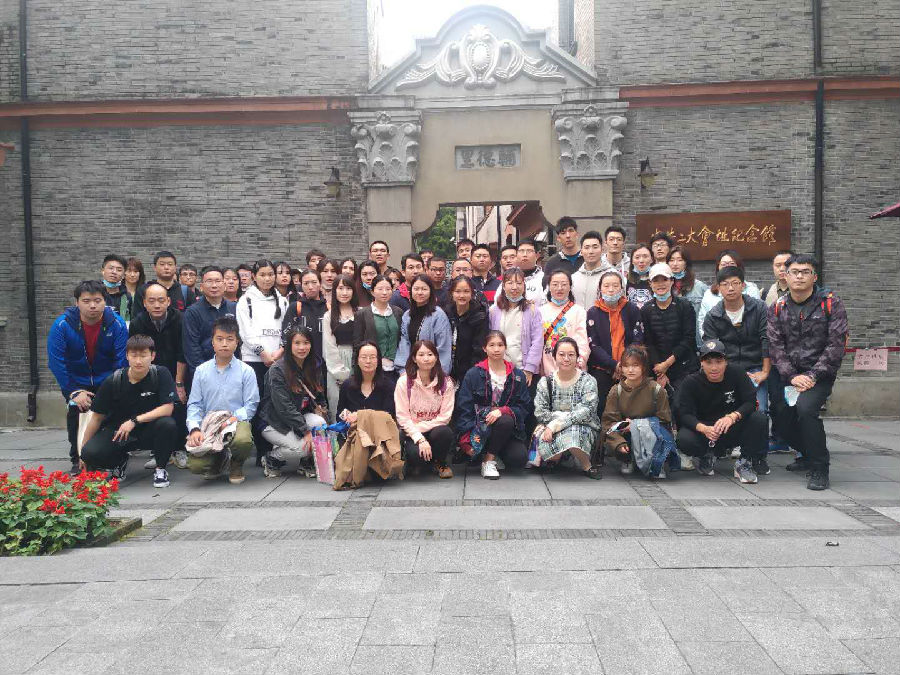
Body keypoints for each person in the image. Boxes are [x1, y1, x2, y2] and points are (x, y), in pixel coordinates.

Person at [767, 254, 848, 490]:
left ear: (815, 277)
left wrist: (812, 376)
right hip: (790, 375)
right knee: (781, 419)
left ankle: (820, 468)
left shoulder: (831, 304)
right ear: (786, 276)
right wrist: (793, 376)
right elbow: (775, 347)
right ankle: (808, 453)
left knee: (805, 410)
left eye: (805, 272)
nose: (799, 276)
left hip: (819, 375)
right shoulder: (778, 307)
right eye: (795, 272)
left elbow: (836, 345)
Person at [48, 280, 129, 475]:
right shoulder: (62, 325)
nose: (92, 305)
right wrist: (73, 391)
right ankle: (77, 457)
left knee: (109, 417)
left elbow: (121, 360)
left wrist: (111, 388)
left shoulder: (116, 323)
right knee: (76, 413)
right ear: (77, 302)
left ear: (105, 301)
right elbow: (56, 361)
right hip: (76, 382)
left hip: (107, 381)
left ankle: (109, 457)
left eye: (97, 300)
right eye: (86, 301)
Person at [80, 335, 178, 488]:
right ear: (127, 356)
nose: (138, 361)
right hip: (119, 433)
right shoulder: (114, 380)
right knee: (90, 453)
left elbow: (168, 408)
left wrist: (134, 421)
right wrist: (82, 452)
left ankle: (160, 469)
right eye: (134, 355)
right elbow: (96, 418)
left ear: (152, 356)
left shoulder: (161, 374)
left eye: (143, 355)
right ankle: (118, 462)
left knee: (168, 424)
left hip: (148, 430)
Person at [674, 339, 768, 484]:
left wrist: (732, 417)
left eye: (718, 362)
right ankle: (706, 455)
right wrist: (703, 429)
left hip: (731, 425)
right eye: (709, 362)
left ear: (726, 362)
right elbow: (684, 414)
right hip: (706, 429)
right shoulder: (691, 381)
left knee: (759, 419)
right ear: (701, 363)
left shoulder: (737, 373)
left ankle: (744, 461)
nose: (714, 367)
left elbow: (750, 401)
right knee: (684, 439)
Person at [186, 317, 259, 484]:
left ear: (237, 342)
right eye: (219, 339)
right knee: (196, 466)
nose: (224, 344)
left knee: (243, 440)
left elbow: (251, 405)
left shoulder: (246, 371)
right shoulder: (201, 371)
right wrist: (194, 429)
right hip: (210, 423)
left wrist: (232, 419)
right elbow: (194, 405)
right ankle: (219, 459)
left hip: (235, 421)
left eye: (229, 339)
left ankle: (236, 464)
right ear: (212, 342)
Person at [456, 331, 534, 479]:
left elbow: (524, 407)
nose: (496, 349)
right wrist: (465, 438)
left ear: (505, 347)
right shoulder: (473, 374)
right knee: (472, 451)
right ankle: (487, 455)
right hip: (479, 429)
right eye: (491, 345)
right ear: (484, 348)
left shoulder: (517, 375)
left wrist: (504, 410)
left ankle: (489, 458)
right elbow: (464, 407)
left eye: (500, 345)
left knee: (518, 458)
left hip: (506, 429)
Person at [129, 281, 189, 468]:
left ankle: (180, 449)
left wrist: (179, 383)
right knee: (154, 409)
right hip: (150, 373)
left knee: (179, 407)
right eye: (152, 301)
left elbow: (182, 352)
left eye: (161, 300)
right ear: (144, 303)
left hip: (177, 370)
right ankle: (159, 452)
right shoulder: (138, 322)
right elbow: (137, 352)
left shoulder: (180, 319)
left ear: (168, 301)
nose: (157, 305)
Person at [259, 325, 327, 478]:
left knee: (320, 425)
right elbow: (284, 408)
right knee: (301, 448)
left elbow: (320, 397)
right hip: (274, 421)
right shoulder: (277, 370)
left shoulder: (314, 366)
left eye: (306, 343)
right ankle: (271, 458)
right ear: (289, 346)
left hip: (299, 418)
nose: (302, 347)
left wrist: (323, 412)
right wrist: (306, 431)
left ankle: (306, 462)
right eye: (297, 343)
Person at [602, 345, 675, 478]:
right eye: (626, 365)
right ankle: (627, 460)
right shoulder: (616, 391)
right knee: (617, 441)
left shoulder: (657, 390)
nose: (630, 370)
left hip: (651, 434)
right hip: (626, 434)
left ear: (644, 367)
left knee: (658, 435)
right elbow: (608, 422)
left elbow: (665, 421)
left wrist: (637, 425)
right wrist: (619, 441)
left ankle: (656, 463)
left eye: (635, 365)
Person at [533, 337, 602, 477]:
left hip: (582, 426)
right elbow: (540, 413)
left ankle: (587, 466)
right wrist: (557, 423)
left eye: (571, 355)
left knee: (573, 435)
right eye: (561, 354)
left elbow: (587, 411)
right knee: (550, 448)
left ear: (577, 357)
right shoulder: (545, 382)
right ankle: (561, 457)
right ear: (554, 357)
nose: (566, 359)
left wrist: (557, 425)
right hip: (551, 426)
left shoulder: (588, 381)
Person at [235, 259, 288, 421]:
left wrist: (280, 351)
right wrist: (262, 353)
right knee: (254, 401)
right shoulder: (246, 300)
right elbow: (245, 332)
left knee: (276, 401)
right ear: (254, 276)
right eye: (262, 275)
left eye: (270, 274)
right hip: (253, 360)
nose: (267, 279)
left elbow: (287, 329)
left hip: (277, 360)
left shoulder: (283, 301)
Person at [395, 340, 456, 479]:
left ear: (436, 357)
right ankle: (414, 462)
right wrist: (420, 438)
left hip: (434, 429)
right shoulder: (404, 382)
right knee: (417, 456)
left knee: (445, 432)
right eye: (421, 354)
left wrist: (420, 427)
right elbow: (402, 417)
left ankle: (440, 462)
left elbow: (445, 417)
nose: (426, 358)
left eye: (430, 354)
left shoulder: (446, 382)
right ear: (414, 358)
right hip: (412, 432)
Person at [586, 271, 643, 405]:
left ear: (622, 289)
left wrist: (624, 364)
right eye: (606, 286)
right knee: (602, 405)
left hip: (629, 367)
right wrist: (614, 365)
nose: (611, 290)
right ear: (600, 289)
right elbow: (594, 345)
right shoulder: (593, 312)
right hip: (602, 368)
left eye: (615, 286)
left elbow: (637, 338)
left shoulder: (631, 309)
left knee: (630, 406)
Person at [489, 267, 543, 387]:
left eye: (519, 283)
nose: (515, 287)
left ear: (524, 286)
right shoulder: (494, 311)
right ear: (503, 286)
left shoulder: (532, 311)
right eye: (510, 283)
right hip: (499, 369)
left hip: (523, 370)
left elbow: (537, 341)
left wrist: (529, 369)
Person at [182, 266, 237, 381]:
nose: (214, 285)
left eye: (218, 281)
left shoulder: (234, 308)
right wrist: (205, 374)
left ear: (224, 285)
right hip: (204, 374)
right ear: (201, 287)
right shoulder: (192, 312)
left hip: (232, 371)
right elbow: (192, 348)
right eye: (209, 281)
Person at [394, 275, 452, 375]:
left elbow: (443, 346)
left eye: (424, 289)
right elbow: (404, 343)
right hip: (411, 370)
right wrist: (404, 369)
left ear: (430, 291)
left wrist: (438, 373)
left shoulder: (438, 315)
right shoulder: (407, 315)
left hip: (433, 371)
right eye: (416, 289)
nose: (420, 292)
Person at [697, 249, 761, 330]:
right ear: (718, 269)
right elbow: (703, 322)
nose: (727, 267)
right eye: (723, 264)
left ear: (739, 267)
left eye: (732, 264)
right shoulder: (709, 294)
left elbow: (758, 318)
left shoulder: (751, 289)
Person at [540, 270, 588, 376]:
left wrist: (579, 361)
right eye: (555, 284)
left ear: (570, 287)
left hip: (572, 368)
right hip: (547, 369)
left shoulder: (579, 311)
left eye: (564, 284)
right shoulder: (540, 312)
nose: (559, 288)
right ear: (549, 286)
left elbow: (582, 340)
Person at [323, 274, 358, 418]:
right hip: (336, 363)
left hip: (358, 361)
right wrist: (340, 373)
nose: (344, 292)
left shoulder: (361, 313)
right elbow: (328, 346)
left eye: (348, 288)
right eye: (340, 288)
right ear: (334, 291)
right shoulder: (329, 316)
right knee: (337, 404)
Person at [354, 274, 403, 377]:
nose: (384, 292)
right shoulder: (362, 314)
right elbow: (357, 344)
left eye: (388, 289)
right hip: (372, 368)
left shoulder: (398, 312)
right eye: (380, 289)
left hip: (395, 368)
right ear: (372, 291)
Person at [444, 275, 488, 385]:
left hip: (470, 372)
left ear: (472, 293)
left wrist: (471, 375)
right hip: (448, 370)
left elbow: (479, 351)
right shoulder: (446, 313)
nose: (462, 295)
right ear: (452, 293)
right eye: (458, 291)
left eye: (466, 291)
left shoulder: (479, 316)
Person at [338, 342, 397, 421]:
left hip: (380, 428)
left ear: (378, 361)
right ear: (357, 360)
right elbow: (339, 415)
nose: (368, 361)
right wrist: (346, 417)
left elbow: (389, 416)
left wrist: (360, 416)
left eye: (372, 357)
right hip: (353, 428)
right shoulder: (346, 386)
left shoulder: (389, 386)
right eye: (364, 357)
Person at [281, 268, 328, 364]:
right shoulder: (295, 307)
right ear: (301, 285)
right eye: (306, 283)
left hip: (325, 361)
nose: (310, 287)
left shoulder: (329, 308)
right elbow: (287, 335)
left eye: (314, 282)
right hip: (300, 361)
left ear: (320, 283)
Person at [667, 246, 708, 346]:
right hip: (672, 342)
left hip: (696, 341)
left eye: (679, 260)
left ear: (686, 263)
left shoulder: (700, 287)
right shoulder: (664, 287)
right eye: (671, 260)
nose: (675, 264)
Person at [543, 217, 583, 283]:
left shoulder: (588, 258)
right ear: (558, 238)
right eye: (563, 233)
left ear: (577, 234)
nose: (568, 236)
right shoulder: (552, 263)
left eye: (571, 231)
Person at [572, 230, 605, 308]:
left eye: (595, 247)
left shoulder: (612, 276)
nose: (591, 251)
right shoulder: (573, 278)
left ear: (602, 249)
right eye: (586, 248)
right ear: (581, 251)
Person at [516, 239, 545, 305]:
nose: (525, 255)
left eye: (529, 251)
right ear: (516, 254)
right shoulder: (509, 278)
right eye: (521, 251)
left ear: (537, 255)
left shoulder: (544, 279)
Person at [626, 243, 654, 309]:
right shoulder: (625, 280)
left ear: (652, 259)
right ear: (632, 261)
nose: (641, 261)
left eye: (645, 257)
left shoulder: (657, 279)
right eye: (637, 257)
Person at [120, 257, 146, 324]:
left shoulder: (145, 292)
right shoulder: (117, 291)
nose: (132, 275)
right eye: (129, 271)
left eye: (135, 271)